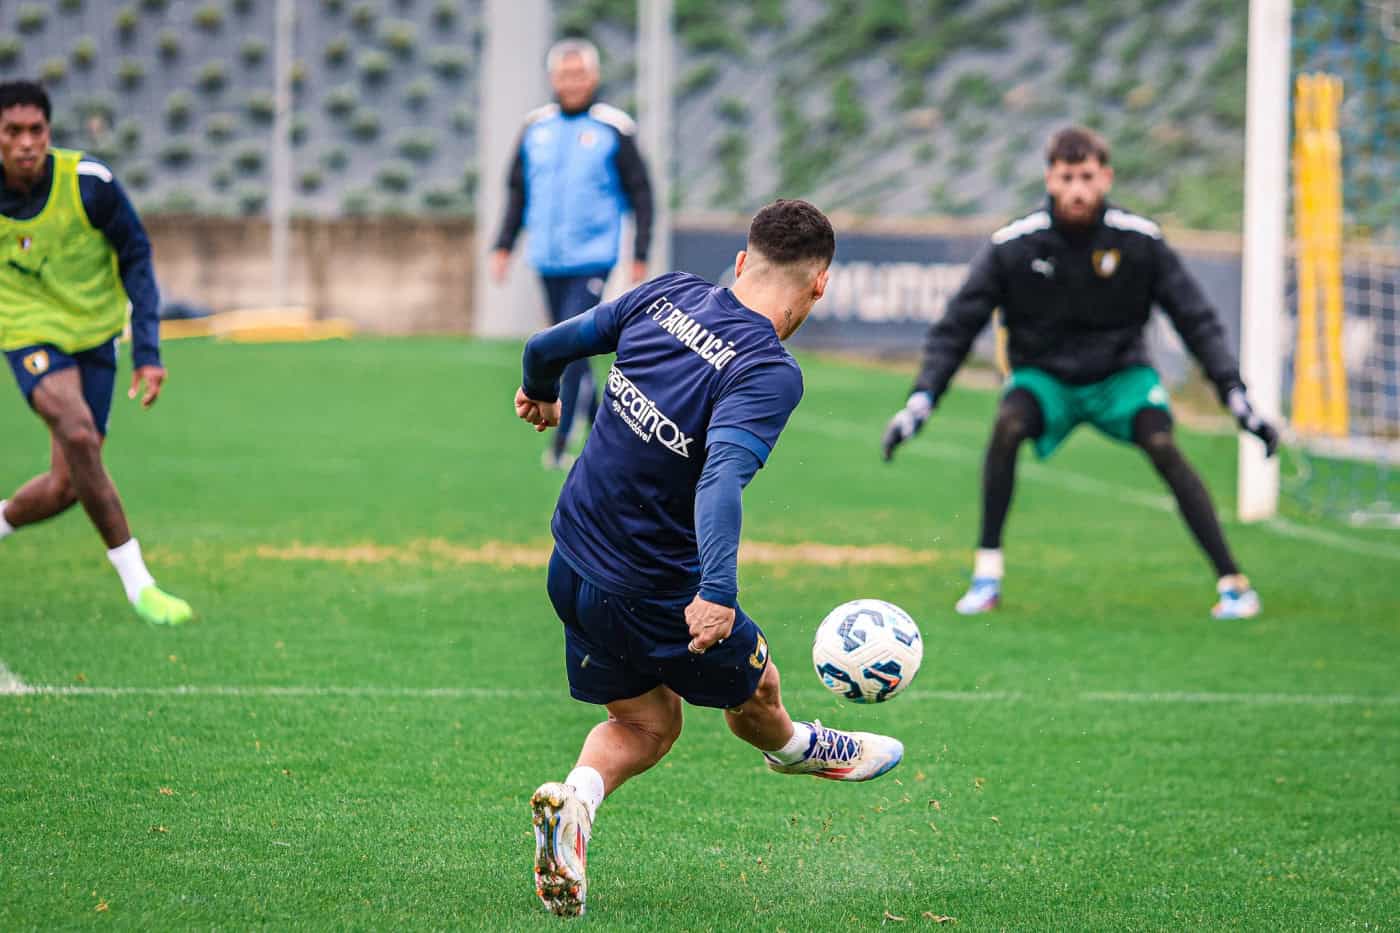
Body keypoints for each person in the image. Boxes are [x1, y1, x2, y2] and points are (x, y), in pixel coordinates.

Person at [514, 200, 903, 917]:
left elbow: (547, 344)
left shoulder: (667, 293)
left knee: (648, 722)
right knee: (757, 690)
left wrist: (539, 389)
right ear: (820, 286)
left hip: (569, 563)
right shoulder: (768, 370)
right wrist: (717, 590)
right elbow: (721, 475)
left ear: (742, 260)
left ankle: (574, 804)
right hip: (648, 588)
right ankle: (800, 748)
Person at [881, 126, 1279, 621]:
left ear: (1106, 177)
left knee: (1162, 444)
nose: (1077, 189)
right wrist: (921, 401)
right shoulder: (1013, 246)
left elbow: (1196, 318)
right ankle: (987, 576)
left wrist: (1233, 392)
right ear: (1050, 178)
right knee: (1007, 426)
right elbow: (957, 327)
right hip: (1044, 380)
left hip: (1122, 377)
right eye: (1067, 177)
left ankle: (1233, 582)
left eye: (1087, 176)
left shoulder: (1140, 241)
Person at [0, 81, 191, 626]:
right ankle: (140, 585)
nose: (26, 143)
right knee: (80, 434)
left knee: (65, 485)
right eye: (12, 131)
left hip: (96, 339)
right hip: (28, 335)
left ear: (49, 133)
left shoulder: (90, 183)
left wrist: (148, 351)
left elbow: (136, 255)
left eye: (36, 130)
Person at [493, 37, 654, 470]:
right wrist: (503, 245)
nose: (573, 81)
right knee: (572, 347)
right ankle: (608, 433)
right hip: (547, 258)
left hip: (594, 257)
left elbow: (641, 193)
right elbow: (517, 191)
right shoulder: (536, 128)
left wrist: (640, 251)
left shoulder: (613, 128)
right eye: (565, 74)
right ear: (553, 79)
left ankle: (561, 443)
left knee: (570, 348)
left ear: (594, 77)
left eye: (580, 73)